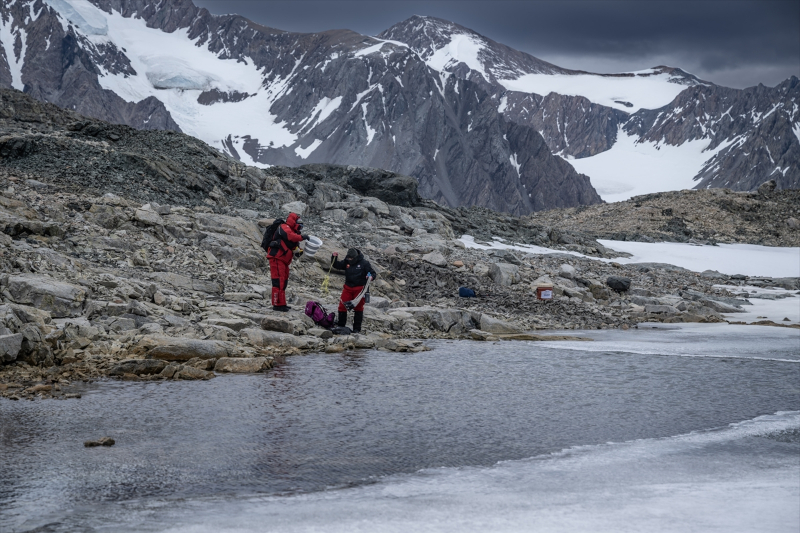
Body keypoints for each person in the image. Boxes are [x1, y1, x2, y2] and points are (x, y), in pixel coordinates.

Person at [267, 212, 308, 311]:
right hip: (277, 258)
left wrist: (299, 251)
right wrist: (303, 237)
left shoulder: (295, 233)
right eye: (300, 226)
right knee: (278, 281)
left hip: (284, 261)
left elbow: (294, 248)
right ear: (295, 223)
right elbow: (290, 236)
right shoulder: (284, 227)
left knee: (284, 282)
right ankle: (277, 304)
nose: (300, 228)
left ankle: (282, 303)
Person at [331, 248, 377, 333]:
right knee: (342, 306)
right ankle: (341, 325)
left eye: (351, 258)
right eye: (349, 258)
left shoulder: (364, 263)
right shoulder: (346, 261)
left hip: (359, 289)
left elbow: (373, 273)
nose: (350, 260)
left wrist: (371, 277)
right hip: (348, 287)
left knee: (358, 308)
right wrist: (334, 257)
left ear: (355, 257)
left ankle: (356, 329)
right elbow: (336, 265)